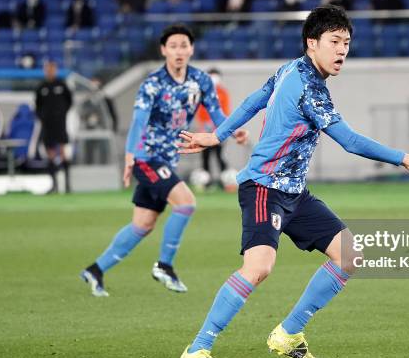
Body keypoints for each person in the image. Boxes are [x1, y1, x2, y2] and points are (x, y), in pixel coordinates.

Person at [176, 5, 409, 358]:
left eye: (346, 42)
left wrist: (216, 135)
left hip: (294, 193)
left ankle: (288, 334)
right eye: (334, 42)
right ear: (312, 43)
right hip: (264, 188)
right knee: (259, 267)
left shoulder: (291, 68)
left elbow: (257, 98)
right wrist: (404, 158)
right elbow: (348, 141)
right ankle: (197, 350)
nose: (342, 50)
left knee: (348, 255)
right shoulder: (310, 90)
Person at [80, 24, 248, 297]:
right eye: (173, 46)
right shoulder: (152, 84)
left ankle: (95, 270)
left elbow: (216, 112)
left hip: (166, 161)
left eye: (184, 45)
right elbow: (138, 121)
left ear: (191, 49)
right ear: (163, 50)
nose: (179, 51)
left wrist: (232, 130)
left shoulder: (201, 81)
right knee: (186, 203)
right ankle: (165, 266)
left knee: (143, 224)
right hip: (147, 157)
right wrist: (129, 156)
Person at [34, 60, 73, 193]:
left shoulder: (61, 85)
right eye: (47, 69)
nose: (50, 71)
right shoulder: (41, 87)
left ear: (55, 69)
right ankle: (54, 185)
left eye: (52, 68)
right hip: (47, 125)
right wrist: (43, 117)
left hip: (60, 124)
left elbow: (69, 101)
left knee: (63, 152)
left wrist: (61, 114)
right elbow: (37, 105)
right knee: (50, 153)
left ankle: (67, 185)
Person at [195, 68, 231, 184]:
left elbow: (225, 111)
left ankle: (225, 180)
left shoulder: (223, 93)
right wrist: (203, 126)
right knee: (205, 157)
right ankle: (206, 182)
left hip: (218, 130)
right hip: (205, 130)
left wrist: (221, 127)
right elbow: (200, 111)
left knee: (219, 156)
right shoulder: (203, 93)